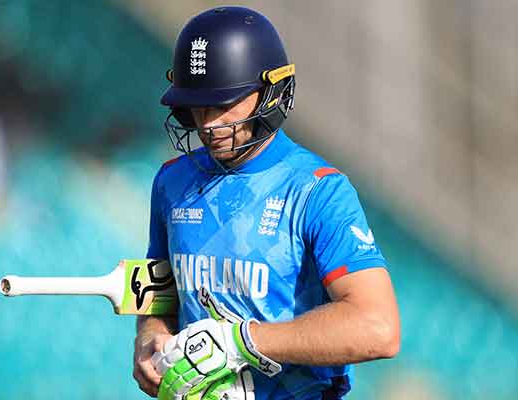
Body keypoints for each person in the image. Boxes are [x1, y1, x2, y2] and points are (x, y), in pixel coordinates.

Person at [133, 6, 400, 399]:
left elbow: (379, 328)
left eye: (224, 104)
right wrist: (150, 335)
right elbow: (160, 287)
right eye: (196, 105)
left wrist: (241, 342)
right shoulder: (172, 182)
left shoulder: (318, 191)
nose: (207, 123)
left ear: (271, 94)